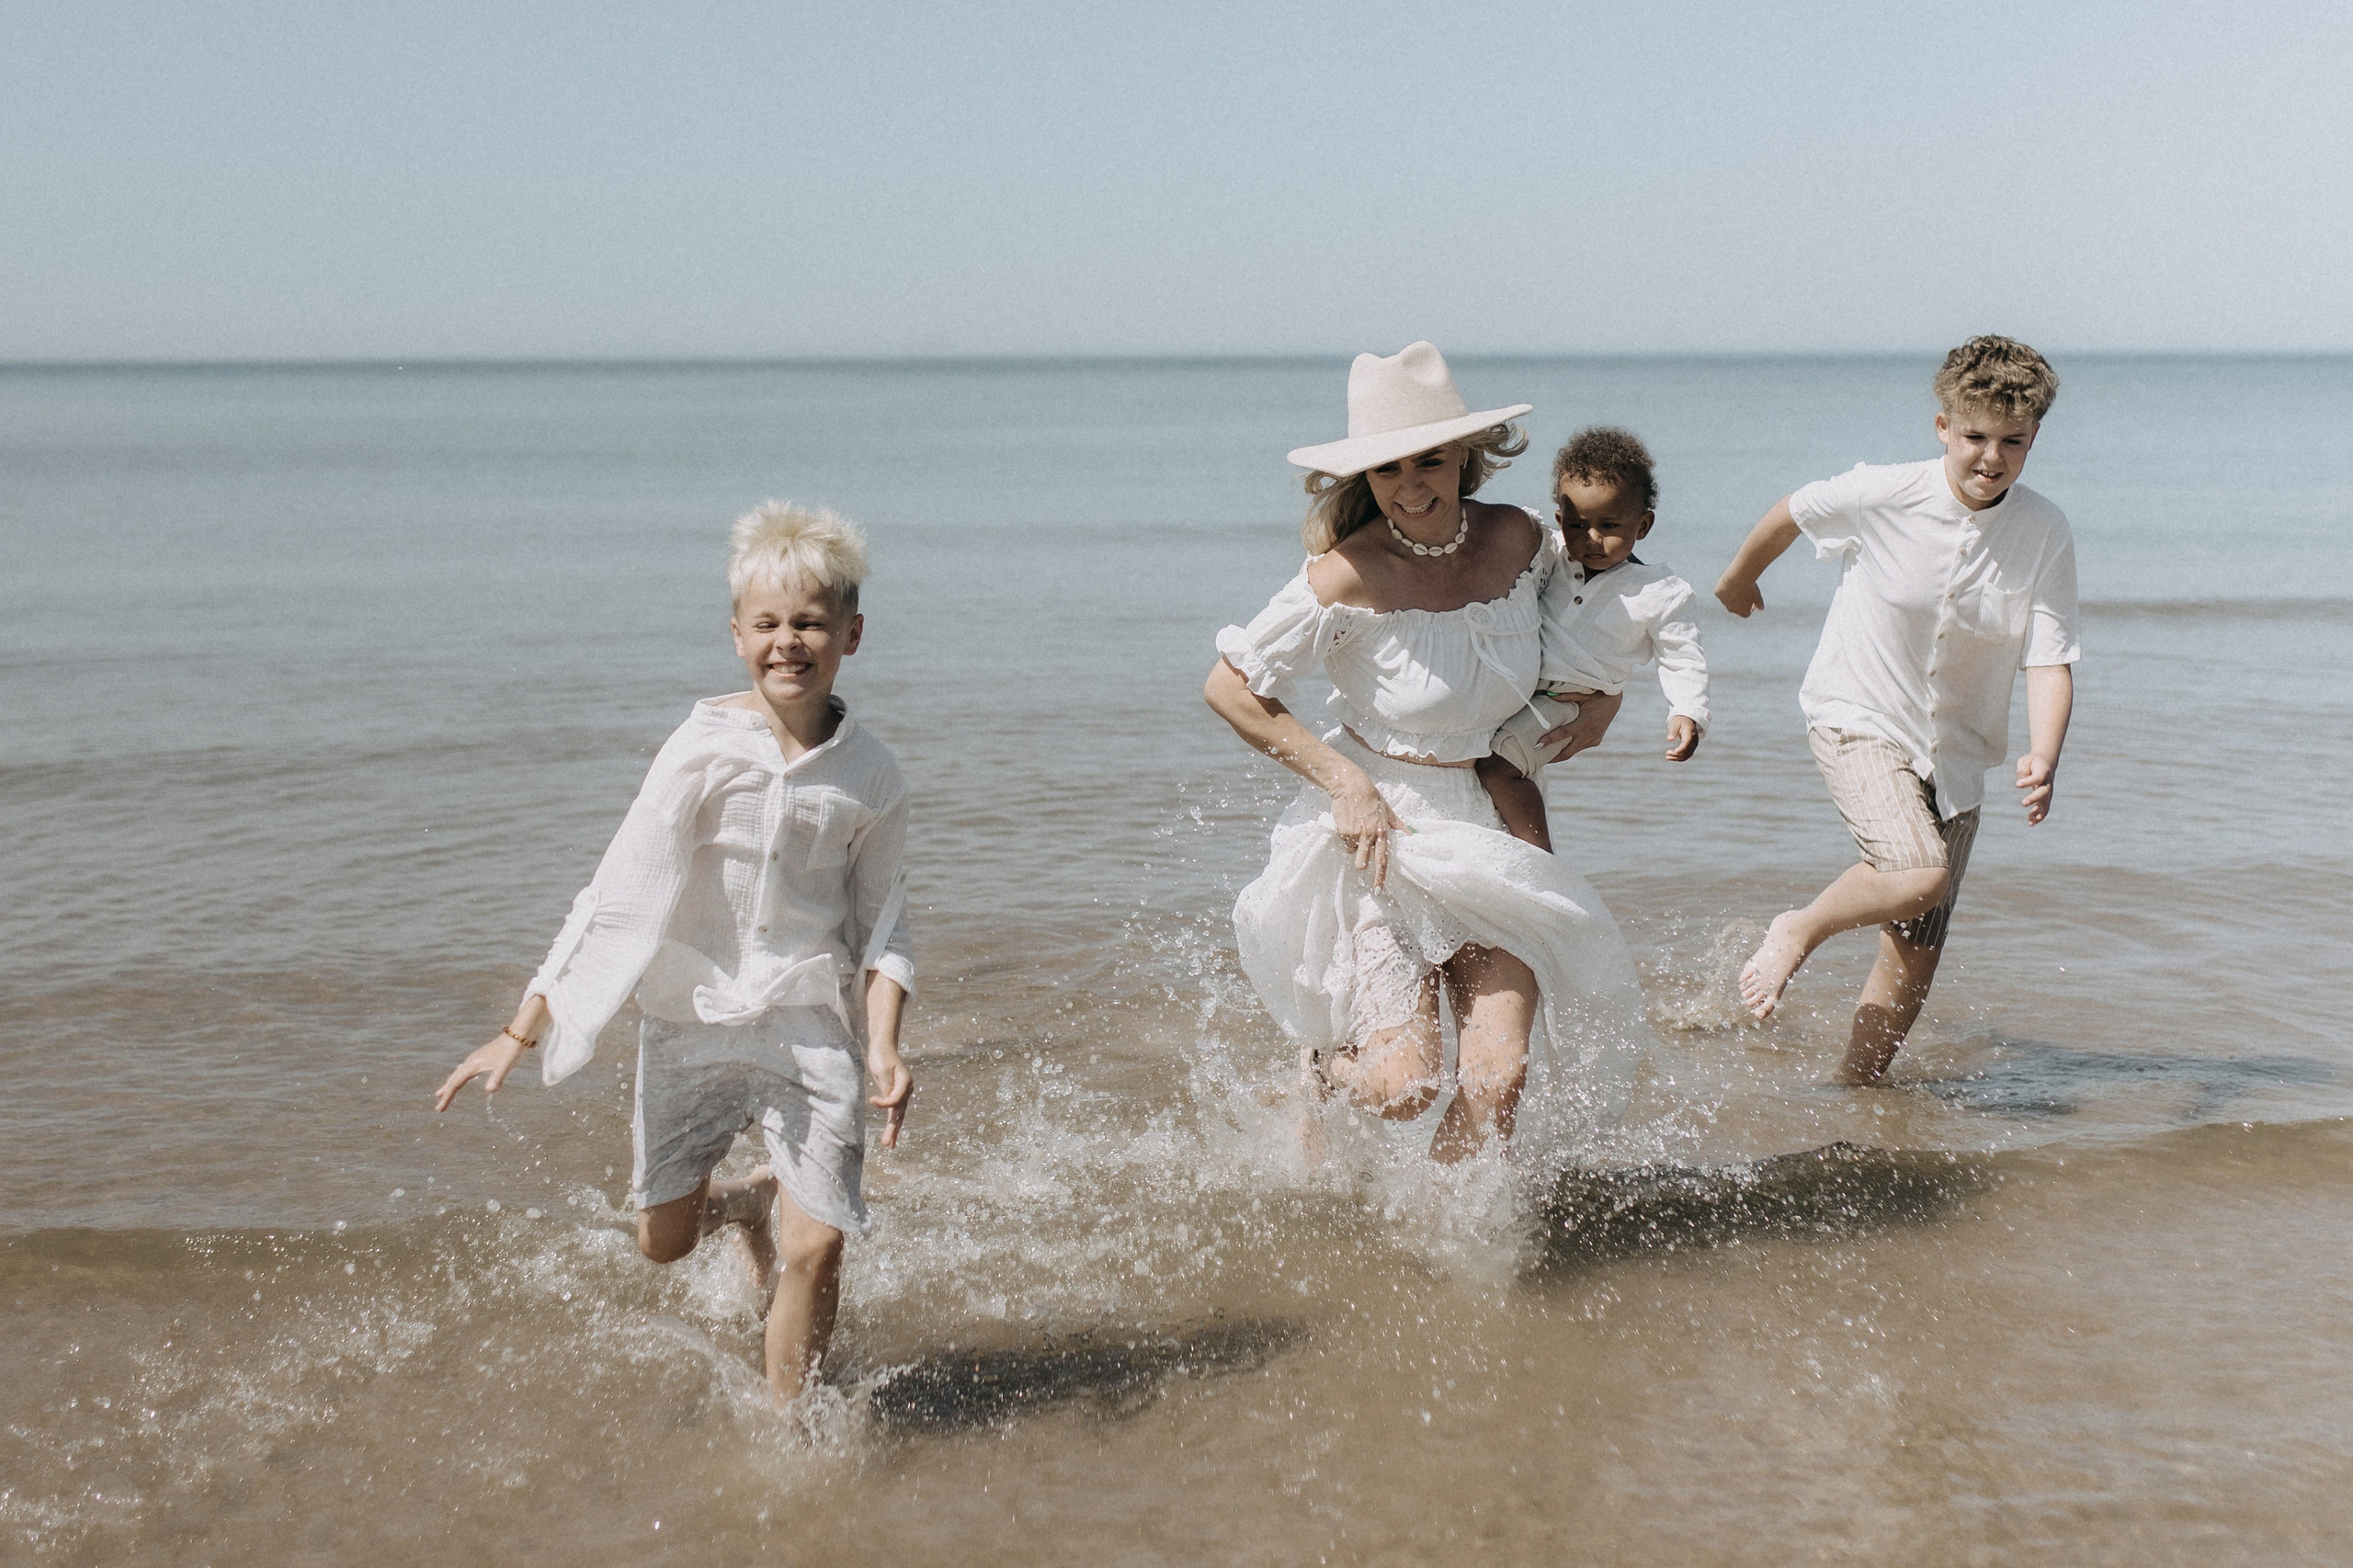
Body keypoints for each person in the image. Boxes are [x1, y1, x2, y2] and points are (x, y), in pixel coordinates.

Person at [433, 502, 917, 1402]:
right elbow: (614, 894)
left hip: (808, 1025)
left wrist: (884, 1042)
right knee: (664, 1241)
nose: (788, 642)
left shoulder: (872, 775)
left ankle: (790, 1426)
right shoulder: (698, 751)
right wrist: (522, 1028)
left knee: (819, 1245)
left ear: (851, 633)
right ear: (736, 635)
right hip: (690, 1020)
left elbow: (885, 924)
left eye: (810, 622)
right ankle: (740, 1204)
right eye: (767, 624)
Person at [1205, 342, 1644, 1165]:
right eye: (1387, 470)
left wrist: (1610, 697)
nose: (1411, 486)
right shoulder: (1343, 577)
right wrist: (1343, 782)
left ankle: (1458, 1257)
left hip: (1493, 828)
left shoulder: (1521, 540)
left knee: (1498, 1077)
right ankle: (1326, 1068)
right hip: (1384, 838)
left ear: (1467, 458)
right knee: (1403, 1088)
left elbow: (1596, 616)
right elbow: (1230, 688)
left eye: (1431, 460)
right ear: (1362, 480)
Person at [1712, 335, 2079, 1084]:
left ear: (2034, 436)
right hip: (1860, 715)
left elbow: (2050, 654)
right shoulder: (1886, 492)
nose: (1992, 458)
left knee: (1917, 944)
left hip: (1958, 753)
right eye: (1975, 437)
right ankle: (1799, 928)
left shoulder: (2044, 531)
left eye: (2013, 442)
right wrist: (1739, 579)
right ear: (1943, 426)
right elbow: (1795, 508)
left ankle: (1854, 1089)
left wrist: (2044, 751)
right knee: (1918, 873)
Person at [1477, 426, 1711, 851]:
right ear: (1560, 519)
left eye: (1609, 524)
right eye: (1578, 524)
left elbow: (1682, 656)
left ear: (1643, 525)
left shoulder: (1660, 591)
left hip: (1570, 701)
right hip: (1516, 687)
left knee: (1498, 770)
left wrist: (1687, 711)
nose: (1591, 539)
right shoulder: (1550, 556)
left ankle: (1538, 856)